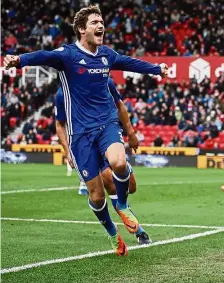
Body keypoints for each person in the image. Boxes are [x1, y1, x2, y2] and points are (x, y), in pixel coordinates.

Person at [3, 5, 167, 256]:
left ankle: (122, 205)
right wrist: (19, 60)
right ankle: (113, 233)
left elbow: (129, 62)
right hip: (80, 134)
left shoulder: (106, 55)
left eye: (101, 21)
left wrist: (157, 69)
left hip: (106, 124)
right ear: (82, 29)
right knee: (97, 196)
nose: (100, 25)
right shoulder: (67, 55)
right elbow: (43, 56)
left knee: (119, 162)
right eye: (94, 22)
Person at [54, 79, 151, 245]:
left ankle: (124, 207)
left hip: (105, 135)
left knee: (130, 187)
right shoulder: (62, 93)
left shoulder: (103, 79)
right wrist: (67, 150)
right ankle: (117, 233)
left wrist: (130, 132)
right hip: (83, 143)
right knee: (98, 196)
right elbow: (60, 124)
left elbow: (119, 105)